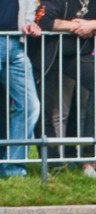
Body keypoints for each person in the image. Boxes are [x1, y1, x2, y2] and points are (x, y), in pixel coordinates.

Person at [30, 0, 96, 166]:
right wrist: (74, 27)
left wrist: (93, 25)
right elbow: (43, 20)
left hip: (74, 54)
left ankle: (92, 145)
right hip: (46, 53)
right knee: (45, 108)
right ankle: (52, 162)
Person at [0, 0, 41, 178]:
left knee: (30, 105)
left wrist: (29, 23)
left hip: (15, 43)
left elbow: (29, 6)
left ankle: (13, 168)